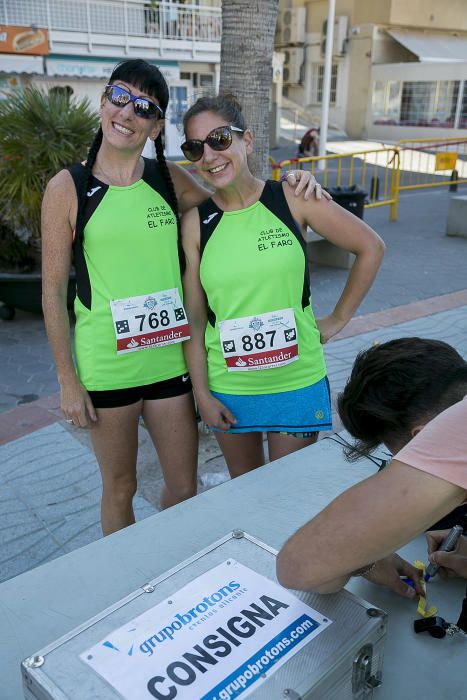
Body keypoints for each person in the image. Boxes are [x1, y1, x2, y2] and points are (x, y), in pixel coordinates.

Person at [41, 60, 325, 535]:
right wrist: (67, 378)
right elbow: (50, 289)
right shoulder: (68, 187)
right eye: (119, 96)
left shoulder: (170, 180)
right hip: (107, 368)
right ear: (103, 101)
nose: (126, 113)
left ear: (155, 126)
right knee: (120, 487)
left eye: (144, 107)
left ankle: (172, 569)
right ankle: (130, 582)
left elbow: (233, 191)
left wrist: (297, 186)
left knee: (184, 487)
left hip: (170, 366)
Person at [181, 94, 385, 479]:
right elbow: (193, 321)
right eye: (196, 147)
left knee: (287, 491)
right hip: (230, 386)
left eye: (220, 138)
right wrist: (202, 395)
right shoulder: (195, 223)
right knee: (245, 491)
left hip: (296, 380)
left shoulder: (292, 196)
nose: (209, 155)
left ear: (248, 140)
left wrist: (338, 318)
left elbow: (370, 247)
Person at [277, 337, 467, 597]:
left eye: (403, 456)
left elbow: (298, 568)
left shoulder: (457, 433)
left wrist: (364, 559)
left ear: (423, 435)